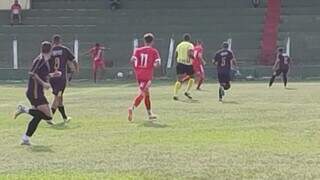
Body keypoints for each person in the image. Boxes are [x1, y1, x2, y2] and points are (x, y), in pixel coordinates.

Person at [14, 41, 61, 145]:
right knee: (48, 116)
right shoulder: (39, 60)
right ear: (51, 50)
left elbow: (44, 75)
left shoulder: (45, 60)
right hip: (34, 92)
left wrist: (54, 74)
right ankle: (24, 109)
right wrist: (43, 83)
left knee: (38, 117)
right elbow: (32, 73)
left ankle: (25, 139)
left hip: (37, 92)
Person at [128, 33, 161, 122]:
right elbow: (157, 63)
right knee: (143, 94)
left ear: (144, 41)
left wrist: (136, 67)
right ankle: (132, 108)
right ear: (152, 42)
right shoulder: (154, 51)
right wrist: (154, 64)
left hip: (139, 74)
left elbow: (132, 59)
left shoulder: (137, 50)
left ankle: (150, 114)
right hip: (147, 75)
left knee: (147, 95)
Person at [49, 34, 79, 123]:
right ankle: (49, 117)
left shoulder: (50, 51)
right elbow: (74, 60)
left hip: (52, 77)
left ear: (53, 42)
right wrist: (76, 69)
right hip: (61, 78)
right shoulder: (64, 50)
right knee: (57, 97)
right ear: (60, 41)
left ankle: (65, 118)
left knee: (59, 98)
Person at [173, 33, 195, 100]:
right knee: (192, 77)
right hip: (188, 64)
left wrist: (176, 63)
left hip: (180, 63)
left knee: (179, 79)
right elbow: (190, 53)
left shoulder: (179, 45)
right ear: (189, 39)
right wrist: (194, 58)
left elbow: (175, 54)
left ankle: (175, 95)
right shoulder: (190, 45)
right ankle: (187, 91)